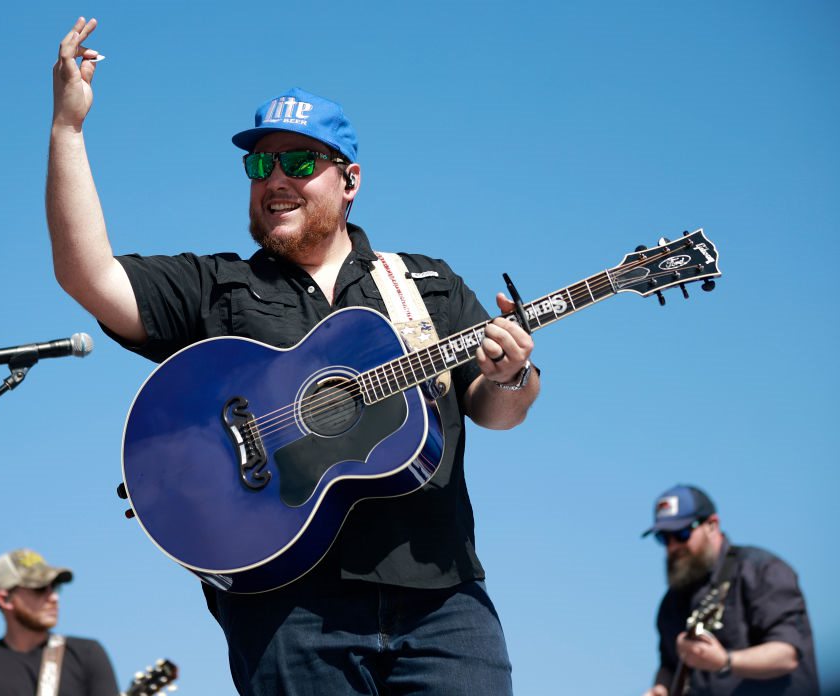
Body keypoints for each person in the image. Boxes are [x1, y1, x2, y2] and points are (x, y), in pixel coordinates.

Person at [46, 17, 540, 695]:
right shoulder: (218, 284)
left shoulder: (423, 284)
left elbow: (493, 408)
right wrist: (68, 130)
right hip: (288, 608)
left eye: (300, 162)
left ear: (350, 179)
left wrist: (510, 376)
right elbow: (88, 276)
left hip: (443, 600)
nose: (275, 178)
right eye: (260, 164)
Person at [640, 485, 819, 696]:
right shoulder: (672, 602)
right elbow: (669, 665)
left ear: (712, 525)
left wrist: (725, 661)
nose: (673, 546)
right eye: (663, 538)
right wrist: (660, 689)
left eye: (682, 534)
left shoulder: (761, 570)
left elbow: (787, 654)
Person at [0, 548, 119, 696]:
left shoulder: (86, 655)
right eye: (39, 589)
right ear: (5, 599)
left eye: (54, 587)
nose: (54, 597)